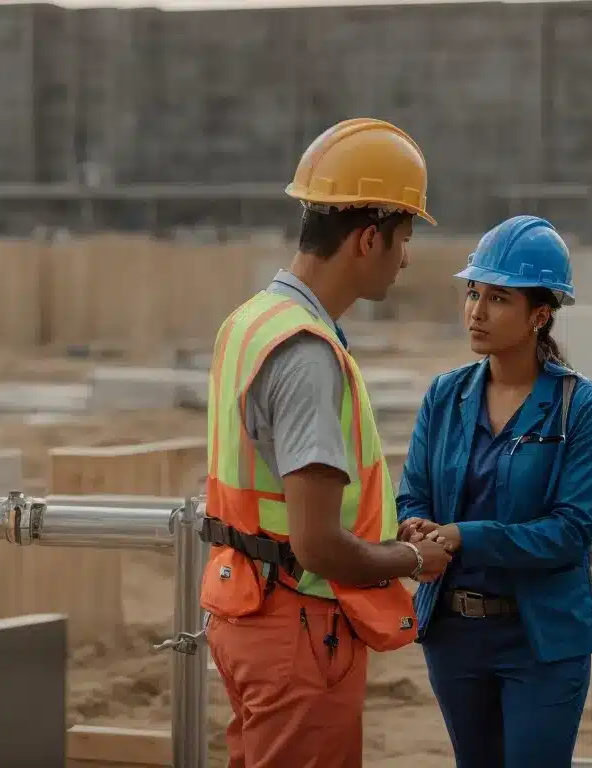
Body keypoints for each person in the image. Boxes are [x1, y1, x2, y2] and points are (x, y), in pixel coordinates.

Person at [198, 117, 456, 768]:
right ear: (368, 239)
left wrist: (392, 532)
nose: (406, 257)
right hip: (298, 627)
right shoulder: (307, 355)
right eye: (403, 237)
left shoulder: (252, 321)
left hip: (245, 604)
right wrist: (410, 561)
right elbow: (316, 543)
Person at [394, 214, 592, 768]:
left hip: (541, 640)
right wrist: (417, 527)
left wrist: (463, 537)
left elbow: (569, 533)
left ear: (540, 315)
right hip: (455, 635)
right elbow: (413, 494)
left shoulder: (583, 410)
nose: (476, 310)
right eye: (473, 293)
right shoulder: (445, 397)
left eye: (498, 297)